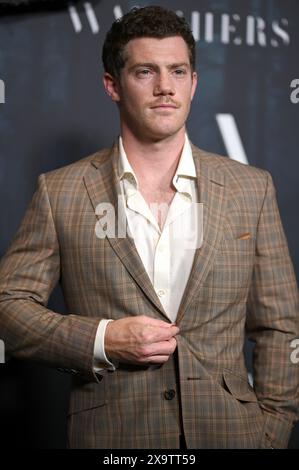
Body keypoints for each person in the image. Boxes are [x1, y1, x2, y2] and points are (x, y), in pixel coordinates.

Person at [0, 5, 298, 449]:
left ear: (194, 83)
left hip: (232, 436)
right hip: (113, 440)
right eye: (145, 72)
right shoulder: (59, 191)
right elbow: (9, 306)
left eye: (178, 71)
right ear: (112, 85)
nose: (165, 88)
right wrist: (103, 338)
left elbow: (280, 326)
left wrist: (271, 432)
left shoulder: (251, 189)